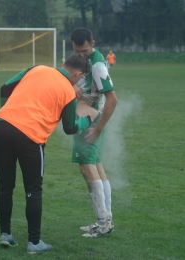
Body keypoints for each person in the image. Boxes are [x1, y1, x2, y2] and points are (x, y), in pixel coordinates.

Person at [0, 53, 91, 253]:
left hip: (3, 127)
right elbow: (70, 127)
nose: (80, 81)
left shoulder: (36, 68)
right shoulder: (68, 92)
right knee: (33, 190)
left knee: (4, 185)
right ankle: (34, 242)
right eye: (82, 78)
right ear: (78, 74)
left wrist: (10, 112)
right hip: (30, 137)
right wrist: (87, 120)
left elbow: (4, 87)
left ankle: (5, 234)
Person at [70, 28, 118, 237]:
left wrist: (97, 129)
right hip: (90, 116)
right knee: (97, 166)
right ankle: (106, 220)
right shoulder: (87, 60)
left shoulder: (98, 64)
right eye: (77, 51)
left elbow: (113, 99)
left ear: (93, 43)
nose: (81, 55)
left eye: (84, 50)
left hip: (90, 120)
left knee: (87, 167)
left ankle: (103, 222)